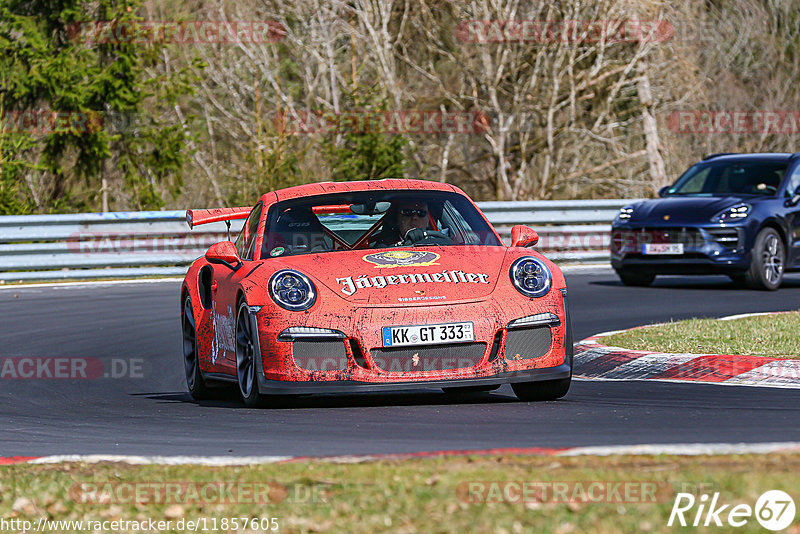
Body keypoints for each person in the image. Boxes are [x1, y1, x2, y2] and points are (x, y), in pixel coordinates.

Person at [373, 199, 451, 247]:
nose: (415, 217)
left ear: (428, 220)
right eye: (407, 212)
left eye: (421, 213)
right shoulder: (383, 249)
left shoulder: (442, 244)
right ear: (397, 219)